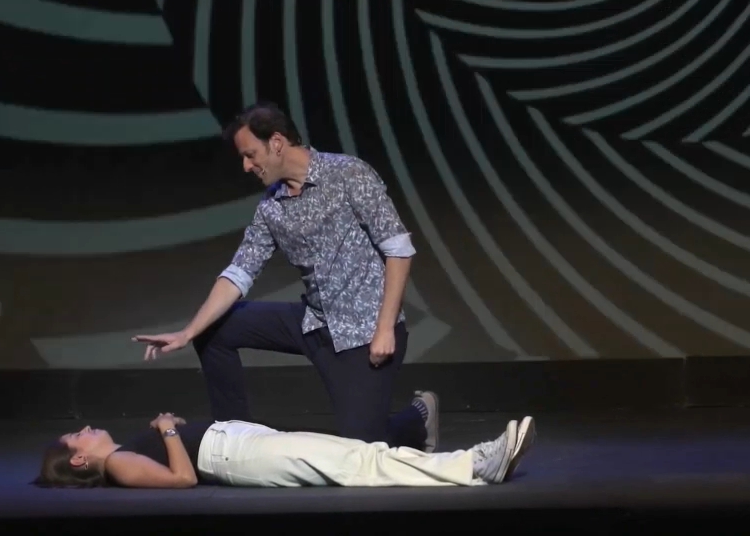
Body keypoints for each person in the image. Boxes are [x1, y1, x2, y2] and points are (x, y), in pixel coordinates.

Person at [132, 101, 437, 452]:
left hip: (365, 333)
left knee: (361, 450)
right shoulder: (271, 206)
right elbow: (239, 272)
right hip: (313, 323)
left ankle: (417, 418)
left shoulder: (348, 173)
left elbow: (398, 249)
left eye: (250, 155)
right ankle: (234, 443)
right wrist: (187, 332)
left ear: (276, 142)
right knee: (214, 328)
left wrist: (385, 329)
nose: (246, 166)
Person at [33, 412, 536, 489]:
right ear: (78, 459)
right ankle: (476, 463)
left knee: (359, 454)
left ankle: (474, 465)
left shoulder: (121, 453)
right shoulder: (117, 463)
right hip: (231, 456)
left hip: (235, 443)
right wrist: (167, 430)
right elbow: (181, 479)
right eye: (77, 437)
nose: (85, 429)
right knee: (355, 462)